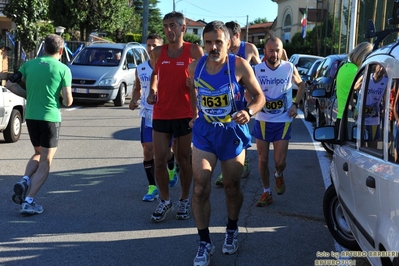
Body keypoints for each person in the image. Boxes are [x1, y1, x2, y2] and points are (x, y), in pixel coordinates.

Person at [188, 21, 265, 266]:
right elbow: (194, 91)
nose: (213, 47)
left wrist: (250, 112)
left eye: (218, 42)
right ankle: (204, 242)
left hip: (232, 131)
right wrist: (194, 114)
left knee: (232, 186)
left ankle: (231, 229)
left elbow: (260, 96)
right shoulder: (195, 67)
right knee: (200, 186)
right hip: (205, 132)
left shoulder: (238, 65)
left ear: (229, 42)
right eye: (208, 42)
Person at [6, 34, 73, 215]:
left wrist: (30, 95)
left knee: (37, 152)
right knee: (46, 160)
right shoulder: (63, 69)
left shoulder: (29, 65)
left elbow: (10, 84)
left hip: (32, 117)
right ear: (61, 51)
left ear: (44, 48)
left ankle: (25, 179)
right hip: (50, 118)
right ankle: (29, 200)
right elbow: (68, 101)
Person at [146, 11, 204, 222]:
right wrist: (152, 91)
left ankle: (184, 199)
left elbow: (205, 75)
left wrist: (194, 83)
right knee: (158, 160)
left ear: (183, 28)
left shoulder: (194, 50)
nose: (169, 30)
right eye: (166, 26)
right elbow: (154, 74)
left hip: (185, 113)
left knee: (183, 160)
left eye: (172, 25)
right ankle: (164, 200)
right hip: (162, 112)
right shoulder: (158, 52)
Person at [252, 37, 305, 207]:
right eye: (271, 50)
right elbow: (247, 90)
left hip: (283, 120)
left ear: (282, 51)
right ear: (265, 51)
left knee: (279, 162)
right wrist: (252, 107)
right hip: (263, 120)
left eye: (278, 50)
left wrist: (295, 105)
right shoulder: (257, 70)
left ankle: (278, 175)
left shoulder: (289, 67)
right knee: (262, 160)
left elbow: (302, 85)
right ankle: (266, 192)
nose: (274, 54)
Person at [214, 20, 261, 186]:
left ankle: (243, 159)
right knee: (224, 130)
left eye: (229, 36)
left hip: (245, 94)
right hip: (227, 94)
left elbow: (261, 69)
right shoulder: (224, 50)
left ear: (237, 35)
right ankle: (225, 170)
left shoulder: (248, 49)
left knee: (241, 126)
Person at [129, 33, 175, 202]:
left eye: (154, 45)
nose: (150, 49)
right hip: (148, 114)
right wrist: (134, 100)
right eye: (148, 45)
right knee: (148, 150)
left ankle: (172, 164)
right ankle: (152, 186)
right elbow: (137, 88)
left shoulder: (167, 66)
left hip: (166, 114)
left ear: (161, 47)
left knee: (163, 153)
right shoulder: (140, 68)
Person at [336, 42, 373, 131]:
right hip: (349, 119)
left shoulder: (344, 67)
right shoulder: (356, 72)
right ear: (364, 56)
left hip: (341, 117)